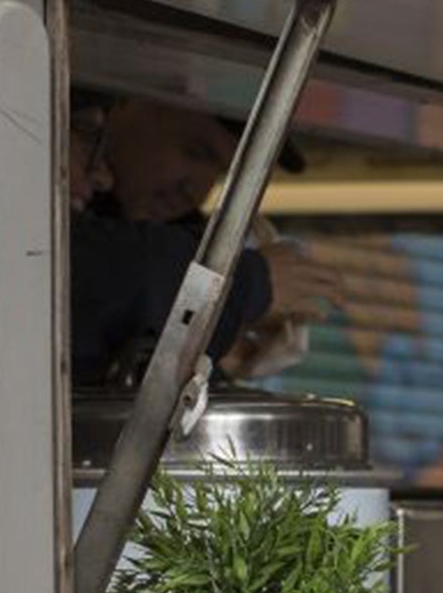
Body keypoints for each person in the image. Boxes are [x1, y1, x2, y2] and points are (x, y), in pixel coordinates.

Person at [69, 94, 343, 383]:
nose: (197, 190)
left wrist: (223, 357)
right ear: (127, 105)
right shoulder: (69, 218)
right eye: (195, 152)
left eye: (220, 172)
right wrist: (242, 286)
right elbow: (79, 267)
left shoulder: (181, 234)